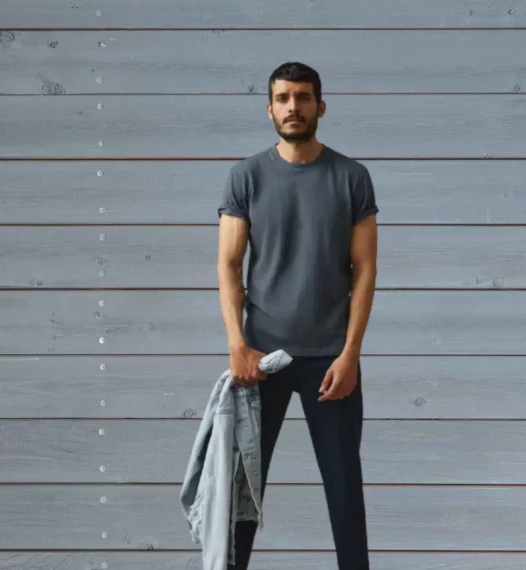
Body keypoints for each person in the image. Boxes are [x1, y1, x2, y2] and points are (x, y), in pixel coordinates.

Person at [216, 61, 378, 570]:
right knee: (241, 496)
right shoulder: (245, 176)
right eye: (283, 98)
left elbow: (366, 270)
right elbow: (228, 263)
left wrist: (350, 355)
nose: (293, 106)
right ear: (270, 109)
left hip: (331, 360)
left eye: (303, 97)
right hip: (261, 361)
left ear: (320, 107)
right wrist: (238, 346)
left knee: (345, 493)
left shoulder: (352, 177)